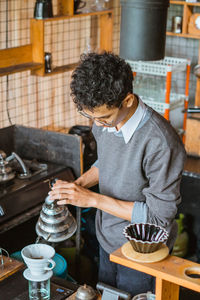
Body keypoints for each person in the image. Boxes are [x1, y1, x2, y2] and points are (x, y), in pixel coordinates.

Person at [49, 52, 186, 296]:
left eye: (103, 117)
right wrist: (77, 186)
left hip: (142, 250)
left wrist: (91, 199)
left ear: (128, 100)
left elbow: (158, 220)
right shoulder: (103, 120)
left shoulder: (161, 143)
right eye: (90, 117)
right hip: (107, 239)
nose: (97, 124)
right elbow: (108, 163)